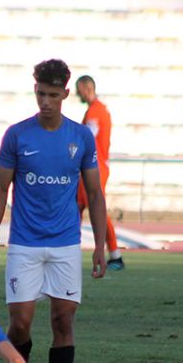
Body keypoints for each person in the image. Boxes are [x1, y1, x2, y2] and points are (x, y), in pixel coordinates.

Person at [0, 59, 107, 363]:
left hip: (66, 243)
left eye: (53, 95)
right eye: (40, 94)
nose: (45, 101)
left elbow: (95, 195)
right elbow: (1, 189)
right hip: (24, 243)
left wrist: (100, 246)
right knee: (20, 322)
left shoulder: (80, 137)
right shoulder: (17, 135)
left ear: (66, 94)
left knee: (63, 321)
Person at [76, 75, 124, 270]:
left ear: (87, 88)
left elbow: (86, 137)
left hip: (94, 168)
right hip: (91, 167)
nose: (77, 93)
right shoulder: (97, 110)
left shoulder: (96, 111)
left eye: (79, 89)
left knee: (96, 209)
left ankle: (115, 255)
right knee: (75, 207)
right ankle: (68, 249)